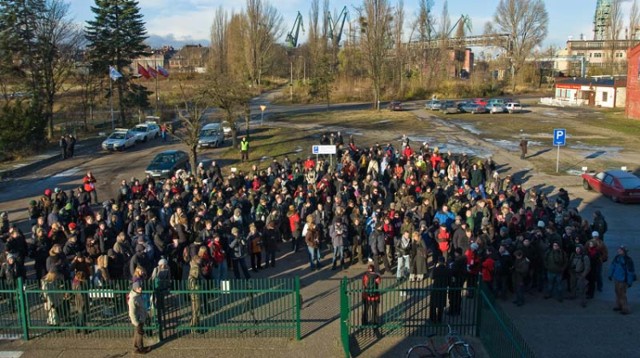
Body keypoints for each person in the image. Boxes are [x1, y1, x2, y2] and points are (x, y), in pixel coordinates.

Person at [609, 246, 636, 315]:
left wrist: (629, 282)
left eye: (620, 250)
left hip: (623, 280)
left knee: (622, 294)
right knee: (617, 293)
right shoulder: (617, 258)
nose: (618, 251)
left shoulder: (628, 260)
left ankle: (625, 309)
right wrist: (610, 274)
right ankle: (619, 305)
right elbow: (612, 266)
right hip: (617, 278)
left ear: (623, 251)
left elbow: (630, 272)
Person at [128, 281, 151, 354]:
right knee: (140, 334)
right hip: (138, 320)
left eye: (140, 287)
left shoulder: (138, 295)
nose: (140, 288)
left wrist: (145, 314)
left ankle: (136, 347)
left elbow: (142, 307)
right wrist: (137, 323)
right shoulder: (133, 299)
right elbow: (131, 313)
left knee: (137, 334)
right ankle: (140, 349)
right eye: (138, 287)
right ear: (134, 288)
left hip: (141, 317)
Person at [430, 256, 449, 323]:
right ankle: (439, 319)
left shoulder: (436, 269)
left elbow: (432, 276)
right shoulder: (447, 269)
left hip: (436, 287)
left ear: (438, 262)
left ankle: (433, 318)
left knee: (433, 304)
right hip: (443, 288)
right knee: (441, 305)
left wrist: (435, 267)